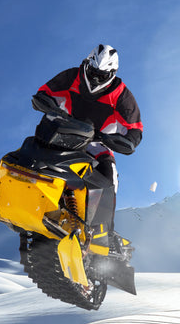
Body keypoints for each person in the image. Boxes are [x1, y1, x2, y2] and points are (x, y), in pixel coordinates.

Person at [31, 44, 143, 249]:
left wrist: (127, 141)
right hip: (63, 134)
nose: (95, 79)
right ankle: (1, 189)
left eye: (101, 75)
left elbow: (135, 127)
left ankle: (101, 234)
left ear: (111, 73)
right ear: (86, 65)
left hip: (97, 144)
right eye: (92, 72)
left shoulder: (121, 94)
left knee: (108, 174)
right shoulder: (71, 76)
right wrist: (46, 103)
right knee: (32, 146)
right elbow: (44, 92)